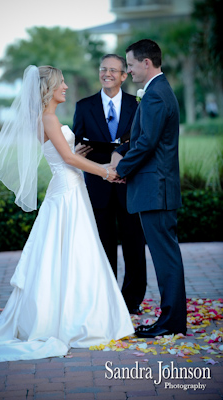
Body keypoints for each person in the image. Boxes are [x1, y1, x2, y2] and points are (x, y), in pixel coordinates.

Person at [0, 65, 134, 365]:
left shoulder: (46, 118)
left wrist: (79, 152)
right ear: (48, 89)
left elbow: (65, 153)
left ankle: (73, 312)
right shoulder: (48, 117)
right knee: (72, 252)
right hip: (66, 191)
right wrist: (106, 171)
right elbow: (66, 158)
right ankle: (71, 319)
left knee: (68, 253)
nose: (66, 86)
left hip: (68, 187)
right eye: (61, 83)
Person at [111, 40, 187, 338]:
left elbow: (147, 144)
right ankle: (172, 319)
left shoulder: (155, 95)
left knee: (165, 257)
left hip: (155, 190)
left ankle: (170, 323)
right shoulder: (158, 91)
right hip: (156, 188)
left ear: (146, 63)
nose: (127, 71)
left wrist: (120, 169)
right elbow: (142, 140)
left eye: (129, 64)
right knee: (166, 256)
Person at [73, 54, 146, 315]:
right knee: (103, 244)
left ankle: (132, 300)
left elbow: (141, 142)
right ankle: (106, 298)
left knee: (134, 243)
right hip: (98, 185)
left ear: (123, 76)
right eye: (103, 69)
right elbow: (77, 146)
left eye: (113, 70)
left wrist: (122, 164)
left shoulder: (138, 105)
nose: (107, 74)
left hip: (130, 182)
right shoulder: (84, 106)